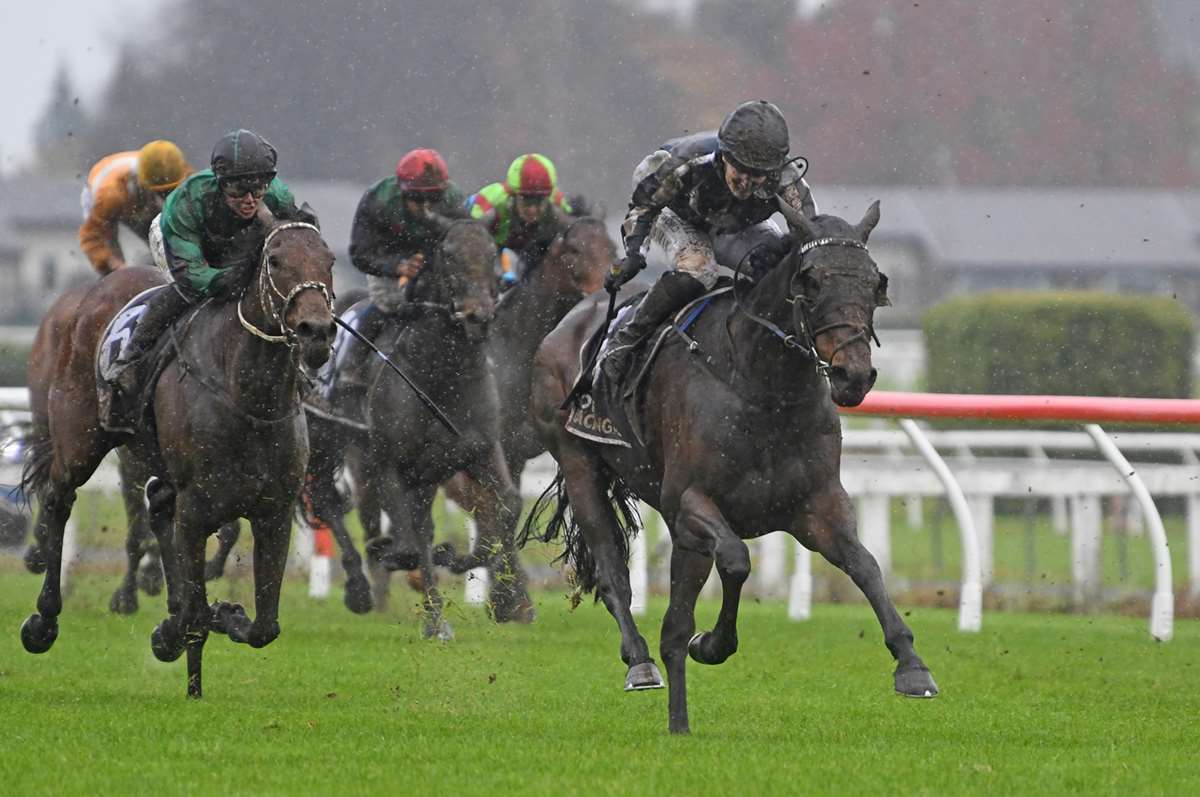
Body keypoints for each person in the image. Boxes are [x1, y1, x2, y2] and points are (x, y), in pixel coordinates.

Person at [600, 100, 818, 382]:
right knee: (700, 268)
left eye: (758, 175)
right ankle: (626, 340)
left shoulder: (787, 181)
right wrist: (634, 255)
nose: (747, 184)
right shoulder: (685, 163)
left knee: (778, 271)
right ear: (724, 156)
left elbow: (811, 236)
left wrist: (785, 249)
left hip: (731, 224)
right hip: (672, 213)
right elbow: (643, 208)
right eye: (740, 170)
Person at [108, 129, 312, 398]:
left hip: (235, 240)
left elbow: (294, 239)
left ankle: (298, 367)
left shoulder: (277, 195)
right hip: (182, 240)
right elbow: (192, 274)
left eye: (258, 188)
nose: (250, 199)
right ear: (221, 182)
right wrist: (225, 278)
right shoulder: (187, 203)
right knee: (186, 293)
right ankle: (130, 360)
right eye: (238, 189)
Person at [324, 148, 467, 414]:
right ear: (402, 191)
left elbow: (467, 244)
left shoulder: (454, 201)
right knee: (388, 304)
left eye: (433, 198)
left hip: (436, 262)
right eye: (417, 198)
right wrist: (396, 266)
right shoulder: (377, 200)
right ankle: (350, 367)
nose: (425, 207)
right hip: (387, 262)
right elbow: (359, 253)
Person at [79, 140, 193, 275]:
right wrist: (113, 264)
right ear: (141, 181)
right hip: (105, 197)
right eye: (161, 193)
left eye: (171, 190)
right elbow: (92, 236)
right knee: (113, 266)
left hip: (139, 192)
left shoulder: (181, 172)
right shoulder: (110, 195)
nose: (166, 198)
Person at [466, 153, 573, 283]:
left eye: (539, 201)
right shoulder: (491, 204)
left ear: (548, 198)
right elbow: (468, 241)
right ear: (513, 196)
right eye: (526, 200)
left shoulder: (558, 204)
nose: (533, 209)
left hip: (535, 252)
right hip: (496, 249)